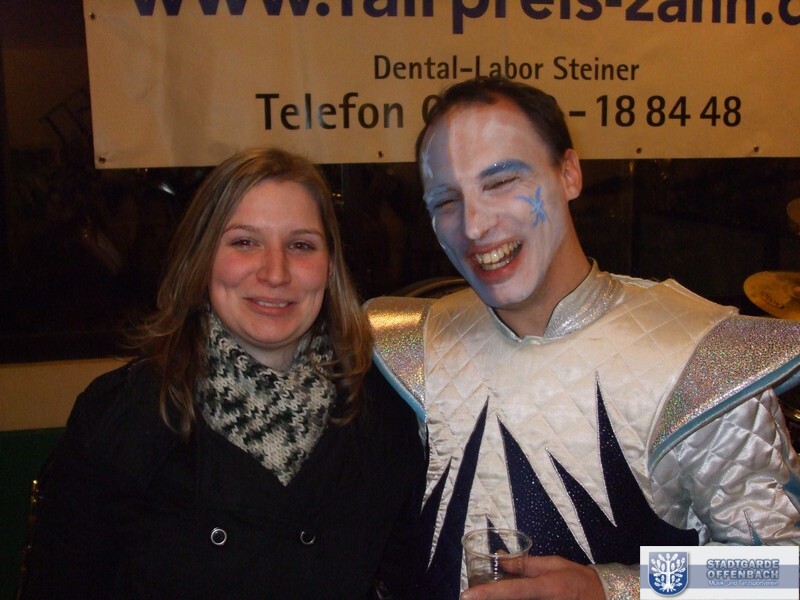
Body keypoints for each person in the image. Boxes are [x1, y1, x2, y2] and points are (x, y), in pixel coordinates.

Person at [365, 77, 800, 599]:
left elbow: (780, 573)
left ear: (569, 174)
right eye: (446, 200)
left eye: (501, 181)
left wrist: (612, 589)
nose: (474, 226)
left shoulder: (698, 360)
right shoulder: (409, 351)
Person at [23, 147, 425, 599]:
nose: (275, 273)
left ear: (329, 267)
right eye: (245, 242)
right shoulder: (120, 418)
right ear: (203, 257)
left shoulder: (382, 414)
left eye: (300, 245)